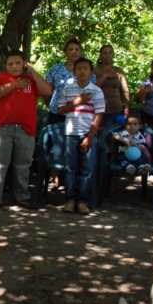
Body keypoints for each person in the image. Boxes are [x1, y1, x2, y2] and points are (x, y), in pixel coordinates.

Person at [0, 50, 52, 211]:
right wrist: (14, 85)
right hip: (3, 128)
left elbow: (47, 91)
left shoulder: (30, 79)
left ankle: (22, 197)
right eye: (10, 64)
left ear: (24, 64)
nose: (14, 66)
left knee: (23, 165)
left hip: (25, 129)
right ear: (6, 66)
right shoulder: (1, 77)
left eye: (18, 63)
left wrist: (32, 71)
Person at [44, 39, 96, 190]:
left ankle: (75, 180)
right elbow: (46, 91)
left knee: (78, 147)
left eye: (77, 49)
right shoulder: (55, 69)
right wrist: (51, 105)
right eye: (71, 49)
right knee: (56, 145)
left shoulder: (87, 70)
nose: (74, 52)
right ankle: (54, 178)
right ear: (65, 52)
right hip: (57, 113)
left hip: (79, 115)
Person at [57, 57, 105, 215]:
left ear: (91, 72)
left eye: (85, 68)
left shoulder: (97, 91)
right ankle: (70, 200)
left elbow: (98, 115)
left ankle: (83, 201)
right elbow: (61, 110)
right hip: (71, 134)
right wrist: (78, 101)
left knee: (87, 169)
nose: (82, 71)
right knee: (70, 168)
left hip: (87, 134)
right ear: (74, 71)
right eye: (79, 68)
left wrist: (90, 137)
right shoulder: (68, 89)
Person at [94, 45, 130, 129]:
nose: (107, 55)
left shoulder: (119, 71)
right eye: (105, 53)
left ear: (113, 55)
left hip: (116, 110)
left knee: (115, 134)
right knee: (100, 133)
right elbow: (92, 86)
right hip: (99, 110)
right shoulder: (95, 70)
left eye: (110, 53)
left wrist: (126, 107)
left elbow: (125, 90)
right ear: (100, 56)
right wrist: (105, 75)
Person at [134, 58, 153, 136]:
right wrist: (146, 90)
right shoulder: (148, 82)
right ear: (151, 70)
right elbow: (137, 100)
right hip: (149, 117)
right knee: (150, 140)